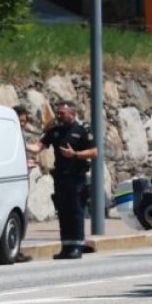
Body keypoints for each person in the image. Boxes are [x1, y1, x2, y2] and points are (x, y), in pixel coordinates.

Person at [26, 100, 97, 260]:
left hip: (76, 178)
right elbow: (38, 147)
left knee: (76, 213)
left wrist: (75, 155)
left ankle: (77, 247)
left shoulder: (82, 130)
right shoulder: (55, 131)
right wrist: (21, 143)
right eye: (58, 113)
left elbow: (94, 152)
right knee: (63, 213)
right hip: (60, 178)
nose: (58, 115)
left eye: (62, 113)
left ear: (72, 114)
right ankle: (66, 247)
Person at [13, 106, 35, 263]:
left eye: (24, 122)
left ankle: (16, 247)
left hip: (21, 179)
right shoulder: (9, 134)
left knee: (21, 214)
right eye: (20, 121)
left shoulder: (19, 134)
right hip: (12, 180)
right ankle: (14, 247)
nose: (23, 124)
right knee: (17, 214)